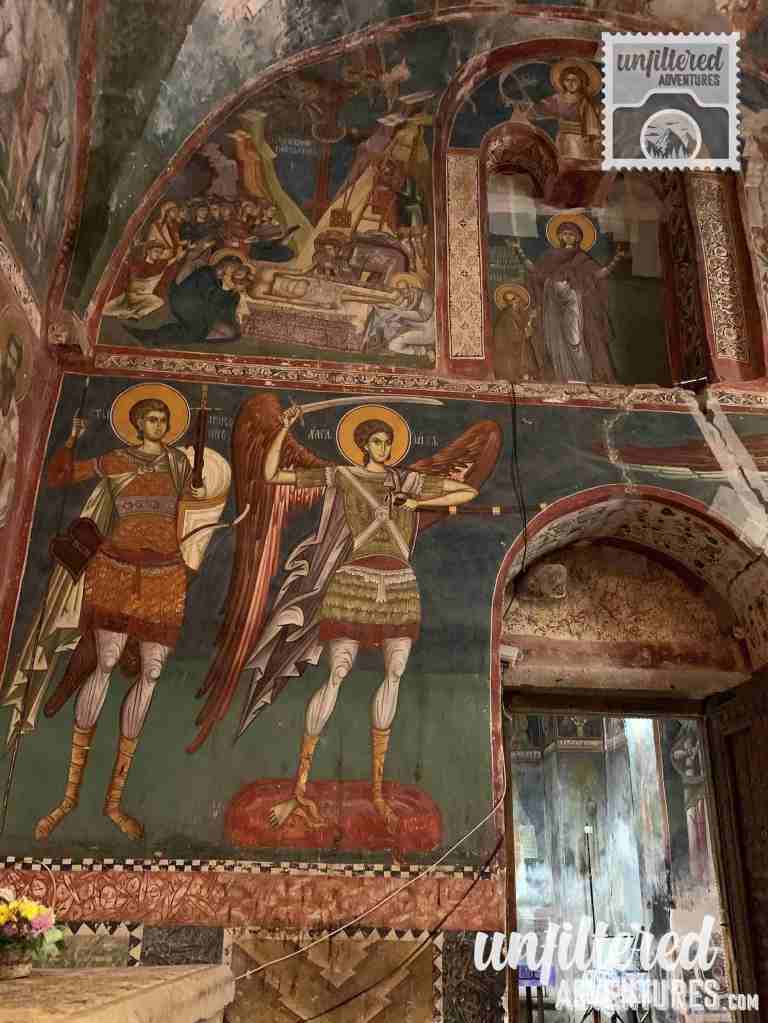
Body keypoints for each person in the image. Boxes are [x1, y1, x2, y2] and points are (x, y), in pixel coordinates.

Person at [249, 406, 479, 831]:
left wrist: (417, 500)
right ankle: (299, 788)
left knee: (394, 674)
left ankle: (377, 792)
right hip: (354, 580)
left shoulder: (407, 481)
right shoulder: (343, 476)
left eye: (388, 442)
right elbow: (273, 475)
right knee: (337, 673)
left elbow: (466, 492)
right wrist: (283, 428)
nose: (384, 448)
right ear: (362, 445)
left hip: (400, 583)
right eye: (376, 441)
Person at [34, 395, 206, 840]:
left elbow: (199, 501)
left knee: (152, 672)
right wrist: (70, 439)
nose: (159, 424)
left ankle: (114, 802)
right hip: (116, 568)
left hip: (165, 573)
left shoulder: (179, 463)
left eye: (164, 418)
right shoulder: (115, 460)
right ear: (136, 424)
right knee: (106, 662)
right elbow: (59, 476)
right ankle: (69, 797)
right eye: (152, 418)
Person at [508, 221, 628, 383]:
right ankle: (561, 378)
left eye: (571, 234)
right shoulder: (549, 256)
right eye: (565, 234)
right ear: (559, 236)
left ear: (577, 237)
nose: (568, 237)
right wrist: (519, 252)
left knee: (576, 339)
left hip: (574, 305)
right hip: (552, 305)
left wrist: (616, 259)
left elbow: (599, 274)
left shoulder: (582, 259)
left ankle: (583, 377)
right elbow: (535, 271)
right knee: (555, 342)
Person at [126, 243, 246, 345]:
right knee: (197, 331)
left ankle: (197, 334)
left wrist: (233, 319)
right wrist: (224, 289)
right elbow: (202, 298)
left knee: (232, 333)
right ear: (221, 264)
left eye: (235, 272)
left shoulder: (232, 293)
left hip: (204, 309)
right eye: (224, 267)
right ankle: (152, 337)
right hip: (186, 301)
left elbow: (226, 312)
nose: (223, 272)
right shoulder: (206, 273)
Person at [524, 63, 602, 162]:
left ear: (581, 82)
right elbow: (538, 110)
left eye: (574, 80)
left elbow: (592, 124)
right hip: (562, 139)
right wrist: (532, 105)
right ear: (562, 82)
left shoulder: (585, 101)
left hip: (580, 141)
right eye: (567, 80)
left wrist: (593, 139)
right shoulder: (557, 99)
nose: (570, 84)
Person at [0, 332, 22, 530]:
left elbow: (12, 456)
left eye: (14, 361)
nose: (10, 364)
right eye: (9, 357)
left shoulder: (13, 409)